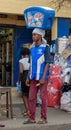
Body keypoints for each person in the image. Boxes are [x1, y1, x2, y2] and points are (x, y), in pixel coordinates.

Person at [24, 28, 50, 124]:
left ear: (40, 36)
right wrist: (27, 77)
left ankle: (44, 118)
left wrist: (43, 77)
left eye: (35, 34)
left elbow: (47, 63)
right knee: (31, 98)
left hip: (43, 78)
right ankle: (31, 118)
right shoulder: (31, 48)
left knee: (43, 98)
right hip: (33, 78)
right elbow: (31, 64)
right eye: (32, 35)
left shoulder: (45, 47)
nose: (33, 36)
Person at [17, 47, 30, 116]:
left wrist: (18, 80)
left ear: (22, 54)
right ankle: (31, 110)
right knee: (31, 95)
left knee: (24, 95)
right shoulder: (31, 60)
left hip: (24, 78)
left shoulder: (21, 61)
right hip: (31, 77)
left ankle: (27, 110)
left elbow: (21, 72)